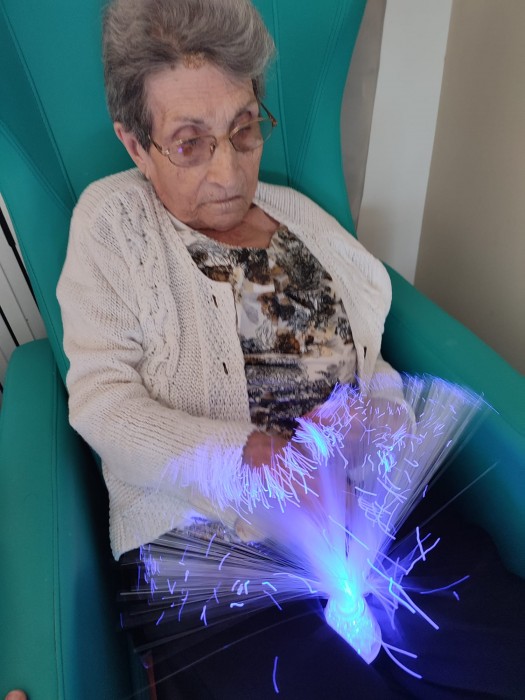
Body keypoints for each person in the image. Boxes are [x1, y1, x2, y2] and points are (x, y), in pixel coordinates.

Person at [55, 1, 525, 698]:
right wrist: (245, 458)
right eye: (189, 143)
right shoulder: (113, 222)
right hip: (213, 551)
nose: (228, 172)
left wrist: (378, 418)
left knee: (500, 654)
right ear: (135, 145)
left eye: (243, 130)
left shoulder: (303, 219)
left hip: (369, 511)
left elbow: (370, 356)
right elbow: (102, 401)